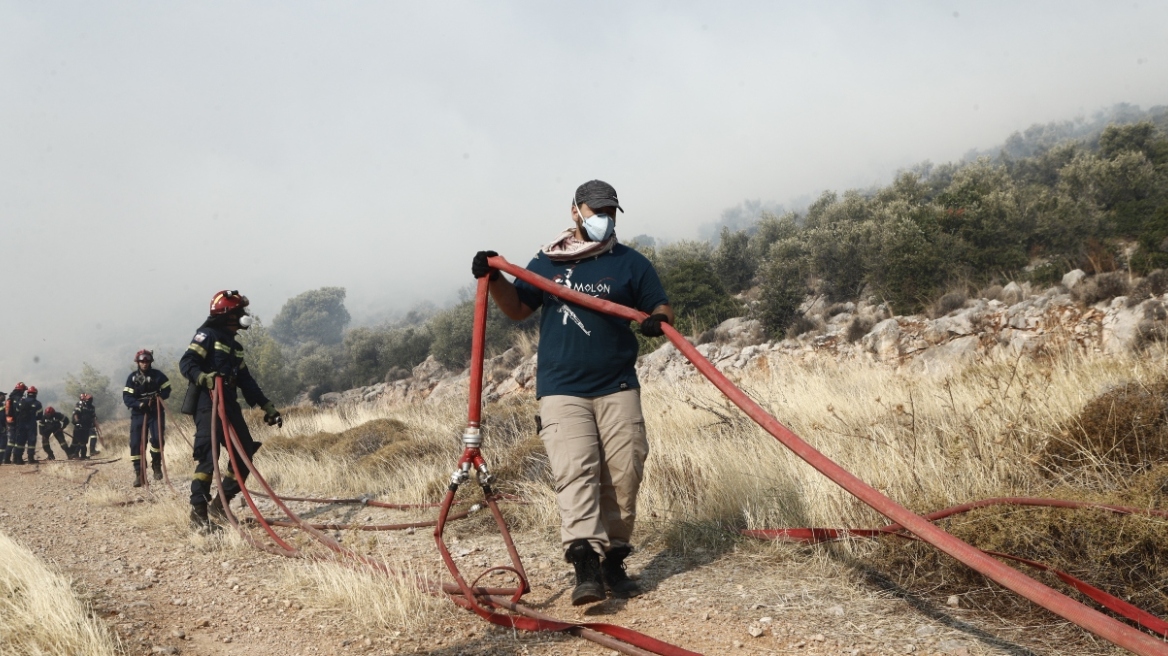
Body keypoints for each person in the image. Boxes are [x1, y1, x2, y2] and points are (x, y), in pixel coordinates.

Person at [472, 179, 674, 605]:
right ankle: (585, 565)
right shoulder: (546, 262)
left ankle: (613, 560)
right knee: (576, 471)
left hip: (617, 384)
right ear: (575, 212)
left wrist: (656, 319)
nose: (604, 219)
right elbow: (518, 307)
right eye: (596, 210)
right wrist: (493, 279)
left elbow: (659, 303)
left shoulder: (630, 263)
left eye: (610, 212)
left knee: (626, 468)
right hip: (562, 389)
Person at [180, 290, 282, 531]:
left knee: (244, 452)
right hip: (209, 403)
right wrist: (203, 378)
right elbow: (187, 363)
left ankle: (220, 504)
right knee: (208, 457)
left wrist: (266, 406)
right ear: (229, 315)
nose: (245, 316)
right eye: (240, 312)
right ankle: (199, 515)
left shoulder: (235, 346)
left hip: (229, 403)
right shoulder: (207, 335)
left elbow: (247, 381)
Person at [123, 349, 171, 486]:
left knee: (157, 439)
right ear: (137, 362)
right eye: (142, 361)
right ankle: (140, 474)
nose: (144, 363)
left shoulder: (158, 376)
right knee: (136, 443)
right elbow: (127, 397)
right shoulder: (132, 378)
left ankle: (156, 465)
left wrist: (159, 397)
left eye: (147, 361)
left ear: (150, 362)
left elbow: (167, 389)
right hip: (139, 413)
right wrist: (139, 404)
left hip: (155, 412)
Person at [14, 386, 43, 464]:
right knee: (31, 442)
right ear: (35, 394)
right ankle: (30, 459)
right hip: (31, 425)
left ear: (27, 393)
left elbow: (16, 413)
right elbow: (40, 416)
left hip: (21, 425)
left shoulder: (21, 402)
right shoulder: (37, 403)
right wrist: (33, 418)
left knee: (20, 442)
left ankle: (18, 459)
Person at [3, 383, 26, 464]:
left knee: (11, 441)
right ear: (21, 390)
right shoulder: (19, 399)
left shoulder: (10, 398)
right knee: (18, 441)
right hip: (17, 423)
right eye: (23, 390)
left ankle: (6, 459)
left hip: (9, 423)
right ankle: (16, 459)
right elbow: (20, 412)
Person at [71, 393, 98, 459]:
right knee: (78, 441)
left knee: (84, 441)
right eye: (88, 400)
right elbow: (75, 414)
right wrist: (77, 422)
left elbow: (93, 416)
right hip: (79, 426)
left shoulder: (92, 407)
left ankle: (83, 455)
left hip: (87, 426)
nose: (90, 401)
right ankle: (75, 454)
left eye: (91, 400)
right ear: (85, 400)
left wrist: (94, 423)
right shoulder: (80, 405)